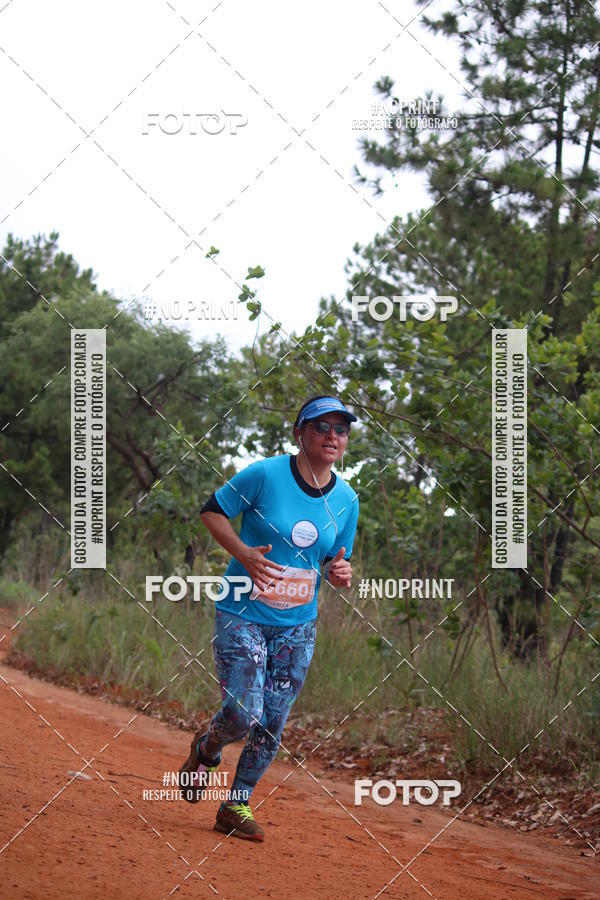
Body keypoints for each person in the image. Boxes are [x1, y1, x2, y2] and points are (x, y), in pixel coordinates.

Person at [178, 395, 360, 841]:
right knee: (243, 712)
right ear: (300, 432)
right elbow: (211, 510)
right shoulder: (264, 474)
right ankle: (206, 748)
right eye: (322, 427)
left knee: (272, 722)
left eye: (341, 429)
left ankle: (234, 806)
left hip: (297, 625)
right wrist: (241, 552)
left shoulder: (348, 499)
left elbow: (337, 563)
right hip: (242, 611)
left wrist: (341, 572)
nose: (333, 436)